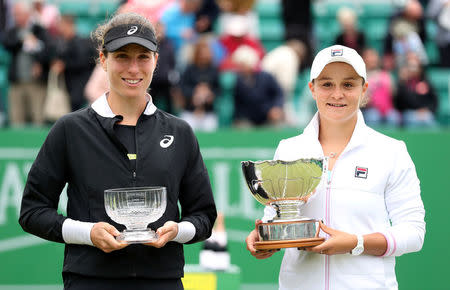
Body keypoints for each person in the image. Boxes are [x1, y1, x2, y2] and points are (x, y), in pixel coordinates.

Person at [19, 12, 217, 290]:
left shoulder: (180, 132)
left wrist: (176, 231)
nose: (133, 69)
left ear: (156, 60)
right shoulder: (70, 129)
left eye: (143, 57)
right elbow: (32, 211)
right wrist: (89, 233)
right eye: (122, 56)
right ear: (103, 60)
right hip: (89, 281)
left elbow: (204, 216)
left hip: (163, 281)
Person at [245, 45, 425, 289]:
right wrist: (265, 239)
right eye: (327, 84)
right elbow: (277, 216)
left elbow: (414, 233)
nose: (337, 94)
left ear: (364, 89)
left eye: (348, 85)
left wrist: (356, 242)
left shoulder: (391, 151)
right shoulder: (288, 148)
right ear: (312, 88)